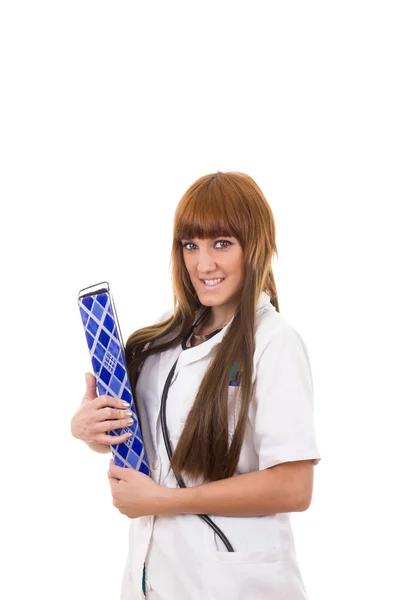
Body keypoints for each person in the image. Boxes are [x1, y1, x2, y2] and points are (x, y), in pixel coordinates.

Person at [71, 171, 321, 600]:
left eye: (222, 243)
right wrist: (90, 430)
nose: (203, 264)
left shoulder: (275, 343)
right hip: (155, 578)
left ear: (254, 246)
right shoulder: (158, 346)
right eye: (191, 245)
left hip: (238, 586)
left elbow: (294, 487)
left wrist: (161, 502)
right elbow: (149, 444)